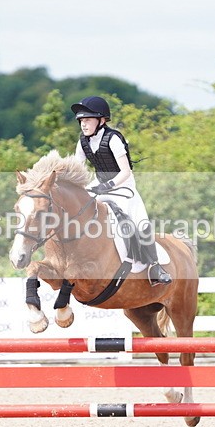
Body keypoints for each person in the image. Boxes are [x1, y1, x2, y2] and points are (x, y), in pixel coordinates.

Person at [70, 95, 172, 286]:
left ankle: (155, 266)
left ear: (101, 120)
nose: (83, 124)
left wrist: (108, 186)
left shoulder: (113, 139)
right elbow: (77, 169)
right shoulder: (82, 142)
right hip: (99, 183)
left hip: (123, 186)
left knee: (139, 221)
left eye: (88, 120)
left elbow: (126, 171)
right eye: (81, 120)